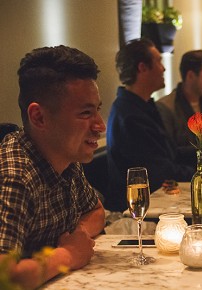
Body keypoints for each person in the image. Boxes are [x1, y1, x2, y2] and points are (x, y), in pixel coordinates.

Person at [0, 45, 106, 289]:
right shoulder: (15, 176)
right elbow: (5, 277)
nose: (99, 125)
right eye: (85, 113)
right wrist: (67, 255)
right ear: (39, 117)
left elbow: (96, 212)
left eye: (97, 110)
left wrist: (76, 237)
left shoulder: (66, 158)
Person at [106, 38, 194, 212]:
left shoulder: (143, 106)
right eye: (159, 61)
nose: (164, 68)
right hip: (140, 211)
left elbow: (169, 154)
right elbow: (160, 172)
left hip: (160, 200)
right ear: (142, 67)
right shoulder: (129, 116)